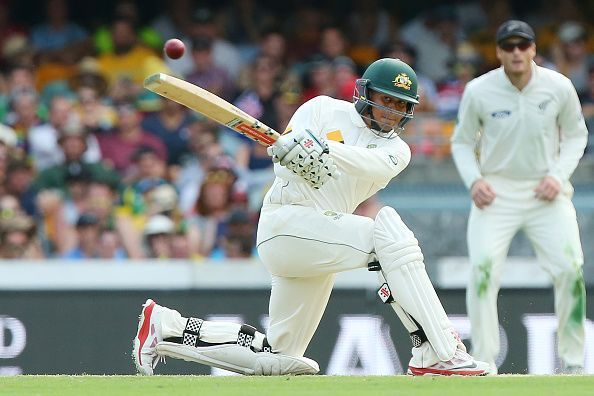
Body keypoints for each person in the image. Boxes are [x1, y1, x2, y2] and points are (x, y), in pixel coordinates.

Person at [132, 58, 489, 376]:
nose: (392, 112)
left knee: (279, 358)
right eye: (386, 100)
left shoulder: (397, 150)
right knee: (389, 232)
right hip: (286, 224)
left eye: (401, 106)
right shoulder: (321, 109)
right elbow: (283, 156)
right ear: (365, 94)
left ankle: (166, 328)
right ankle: (438, 351)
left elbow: (364, 163)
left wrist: (323, 150)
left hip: (320, 240)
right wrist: (292, 154)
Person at [450, 20, 588, 375]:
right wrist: (474, 181)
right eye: (508, 46)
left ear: (533, 50)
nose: (515, 53)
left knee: (570, 271)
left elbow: (576, 135)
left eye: (522, 46)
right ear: (497, 51)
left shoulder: (558, 86)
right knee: (481, 272)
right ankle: (482, 362)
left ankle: (573, 363)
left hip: (546, 193)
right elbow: (462, 141)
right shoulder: (479, 90)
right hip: (495, 195)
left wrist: (558, 176)